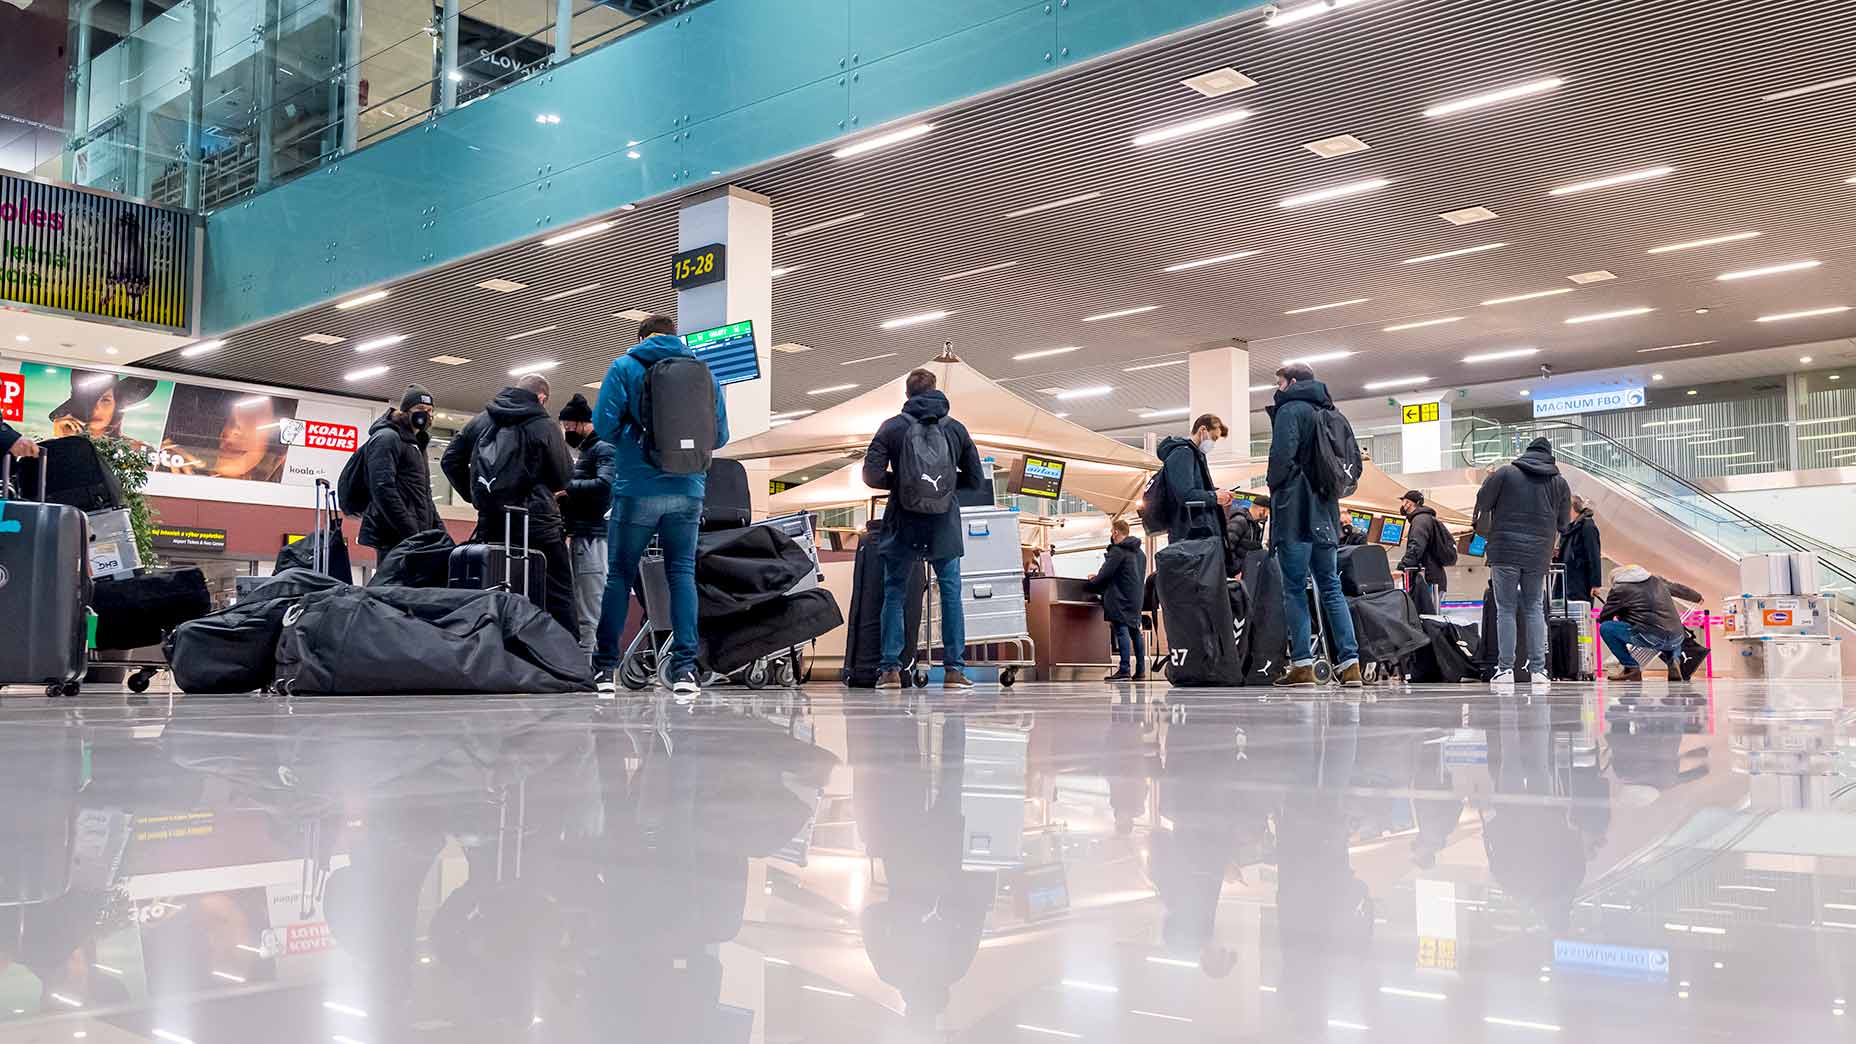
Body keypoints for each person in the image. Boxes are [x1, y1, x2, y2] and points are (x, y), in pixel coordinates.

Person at [590, 315, 731, 700]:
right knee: (681, 574)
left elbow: (602, 425)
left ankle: (605, 670)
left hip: (637, 488)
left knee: (619, 575)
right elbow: (720, 435)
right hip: (688, 489)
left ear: (640, 337)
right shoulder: (705, 373)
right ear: (676, 338)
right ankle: (685, 670)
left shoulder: (624, 366)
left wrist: (635, 441)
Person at [861, 367, 984, 690]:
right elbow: (976, 480)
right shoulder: (956, 429)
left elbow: (871, 476)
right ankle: (955, 671)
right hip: (943, 523)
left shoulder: (891, 428)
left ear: (907, 394)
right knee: (950, 593)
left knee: (895, 592)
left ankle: (890, 670)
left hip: (903, 522)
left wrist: (901, 484)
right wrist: (943, 491)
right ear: (935, 391)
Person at [441, 373, 579, 639]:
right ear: (541, 397)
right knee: (558, 591)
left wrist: (475, 496)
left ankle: (488, 650)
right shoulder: (544, 424)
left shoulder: (483, 420)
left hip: (492, 522)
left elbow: (450, 460)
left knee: (492, 587)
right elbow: (564, 477)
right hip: (538, 524)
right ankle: (565, 660)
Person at [1265, 362, 1363, 688]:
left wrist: (1273, 486)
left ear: (1291, 382)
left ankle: (1303, 665)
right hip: (1326, 514)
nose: (1276, 389)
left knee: (1294, 589)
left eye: (1279, 382)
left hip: (1295, 513)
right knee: (1331, 589)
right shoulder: (1333, 413)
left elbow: (1281, 459)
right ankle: (1351, 665)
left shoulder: (1290, 410)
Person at [1473, 436, 1572, 693]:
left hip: (1504, 549)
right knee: (1534, 609)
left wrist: (1489, 478)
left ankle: (1505, 670)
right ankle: (1538, 671)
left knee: (1505, 609)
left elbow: (1483, 502)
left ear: (1526, 452)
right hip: (1538, 554)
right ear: (1550, 456)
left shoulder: (1505, 473)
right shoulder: (1559, 482)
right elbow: (1564, 523)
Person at [557, 393, 616, 657]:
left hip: (593, 536)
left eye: (570, 426)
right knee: (587, 598)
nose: (568, 432)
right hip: (585, 533)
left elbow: (605, 486)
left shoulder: (603, 448)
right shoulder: (588, 452)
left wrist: (566, 489)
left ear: (585, 424)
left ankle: (591, 663)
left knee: (590, 601)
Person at [356, 384, 440, 557]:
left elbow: (424, 494)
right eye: (421, 408)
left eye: (430, 410)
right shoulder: (387, 438)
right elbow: (383, 488)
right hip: (394, 535)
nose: (426, 414)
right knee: (391, 583)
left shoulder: (417, 443)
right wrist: (411, 531)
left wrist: (439, 530)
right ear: (405, 411)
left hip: (414, 535)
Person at [1598, 565, 1704, 682]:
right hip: (1677, 637)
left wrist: (1620, 616)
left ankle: (1631, 668)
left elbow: (1605, 617)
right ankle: (1674, 659)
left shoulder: (1619, 588)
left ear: (1616, 579)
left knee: (1606, 628)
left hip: (1651, 637)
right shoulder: (1656, 580)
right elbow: (1678, 588)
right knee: (1669, 629)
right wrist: (1697, 597)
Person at [1154, 414, 1234, 544]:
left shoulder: (1195, 455)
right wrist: (1214, 496)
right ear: (1202, 430)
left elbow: (1194, 489)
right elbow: (1185, 494)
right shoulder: (1183, 454)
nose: (1213, 443)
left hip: (1196, 535)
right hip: (1189, 536)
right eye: (1213, 438)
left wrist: (1218, 493)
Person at [1086, 518, 1147, 681]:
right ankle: (1141, 671)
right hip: (1136, 598)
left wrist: (1093, 580)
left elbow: (1106, 574)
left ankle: (1124, 669)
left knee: (1121, 630)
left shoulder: (1118, 551)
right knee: (1135, 632)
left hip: (1119, 597)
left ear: (1115, 532)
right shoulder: (1140, 553)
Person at [1396, 490, 1453, 617]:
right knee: (1432, 618)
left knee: (1429, 620)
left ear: (1408, 503)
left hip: (1428, 579)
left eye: (1404, 502)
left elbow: (1416, 547)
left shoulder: (1420, 520)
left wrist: (1402, 568)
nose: (1403, 505)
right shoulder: (1427, 519)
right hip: (1435, 576)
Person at [1557, 495, 1603, 603]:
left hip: (1580, 582)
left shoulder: (1587, 527)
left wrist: (1595, 584)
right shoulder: (1570, 528)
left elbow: (1594, 555)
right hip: (1567, 580)